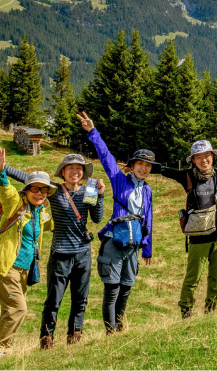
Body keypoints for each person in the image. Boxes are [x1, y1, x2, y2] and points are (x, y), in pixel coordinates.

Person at [3, 153, 102, 347]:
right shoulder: (55, 192)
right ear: (63, 172)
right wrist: (3, 168)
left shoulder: (89, 189)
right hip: (60, 254)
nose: (75, 172)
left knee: (80, 299)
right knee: (54, 300)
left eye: (79, 168)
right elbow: (27, 178)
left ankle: (75, 336)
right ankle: (46, 338)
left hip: (83, 253)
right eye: (70, 168)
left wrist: (101, 195)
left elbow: (97, 218)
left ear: (83, 173)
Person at [149, 106, 217, 318]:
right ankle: (186, 310)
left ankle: (211, 309)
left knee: (216, 276)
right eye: (199, 157)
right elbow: (164, 170)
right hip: (198, 236)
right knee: (193, 276)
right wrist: (140, 165)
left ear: (213, 157)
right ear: (193, 160)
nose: (204, 160)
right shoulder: (187, 176)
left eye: (207, 156)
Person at [77, 110, 156, 332]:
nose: (144, 168)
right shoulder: (120, 181)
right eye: (140, 163)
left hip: (133, 245)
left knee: (126, 288)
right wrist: (92, 132)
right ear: (132, 165)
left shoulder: (148, 191)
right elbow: (106, 156)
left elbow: (147, 220)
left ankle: (120, 329)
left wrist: (147, 249)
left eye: (148, 166)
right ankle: (110, 331)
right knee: (111, 289)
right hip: (114, 241)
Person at [0, 148, 54, 361]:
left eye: (44, 190)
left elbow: (51, 224)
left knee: (10, 311)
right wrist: (1, 171)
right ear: (26, 190)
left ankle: (2, 351)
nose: (39, 193)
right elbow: (7, 191)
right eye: (35, 189)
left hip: (24, 270)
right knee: (18, 308)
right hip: (5, 266)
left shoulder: (41, 212)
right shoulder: (16, 204)